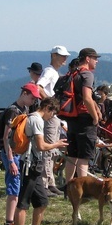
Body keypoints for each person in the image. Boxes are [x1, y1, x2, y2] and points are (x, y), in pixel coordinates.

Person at [13, 97, 68, 225]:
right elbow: (41, 145)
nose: (52, 116)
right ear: (48, 108)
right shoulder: (37, 120)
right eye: (53, 113)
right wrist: (57, 144)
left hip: (35, 165)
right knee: (23, 202)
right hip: (30, 165)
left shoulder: (33, 118)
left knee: (42, 200)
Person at [0, 83, 41, 225]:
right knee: (14, 187)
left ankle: (12, 221)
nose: (34, 101)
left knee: (17, 185)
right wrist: (10, 161)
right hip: (11, 153)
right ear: (25, 94)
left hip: (18, 153)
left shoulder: (25, 109)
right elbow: (6, 137)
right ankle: (9, 223)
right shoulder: (13, 112)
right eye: (33, 98)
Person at [36, 45, 71, 196]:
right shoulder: (49, 71)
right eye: (62, 56)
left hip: (54, 115)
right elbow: (38, 87)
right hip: (51, 115)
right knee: (48, 149)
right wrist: (51, 104)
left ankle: (50, 183)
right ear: (54, 55)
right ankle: (44, 184)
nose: (65, 59)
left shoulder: (53, 72)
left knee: (52, 150)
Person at [63, 48, 101, 185]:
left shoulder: (72, 73)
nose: (97, 61)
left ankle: (69, 186)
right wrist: (95, 116)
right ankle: (83, 188)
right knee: (84, 156)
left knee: (72, 154)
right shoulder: (87, 75)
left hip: (71, 116)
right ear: (87, 58)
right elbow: (87, 98)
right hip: (85, 117)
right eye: (95, 58)